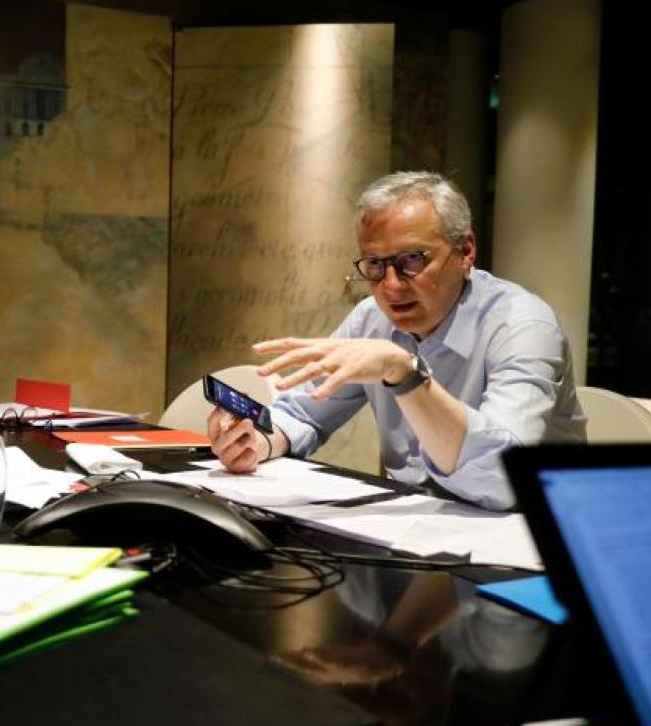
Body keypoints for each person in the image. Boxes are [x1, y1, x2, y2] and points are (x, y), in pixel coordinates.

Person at [208, 171, 585, 510]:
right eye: (375, 264)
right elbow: (302, 413)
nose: (390, 286)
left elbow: (502, 478)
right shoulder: (371, 318)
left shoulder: (523, 325)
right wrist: (255, 443)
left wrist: (405, 375)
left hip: (535, 535)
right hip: (417, 523)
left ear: (465, 250)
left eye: (413, 260)